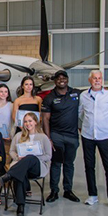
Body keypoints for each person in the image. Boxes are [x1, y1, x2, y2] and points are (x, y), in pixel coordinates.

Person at [0, 113, 52, 216]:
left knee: (30, 157)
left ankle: (9, 175)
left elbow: (48, 156)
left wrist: (35, 158)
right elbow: (12, 151)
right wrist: (18, 158)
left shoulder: (43, 137)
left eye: (30, 121)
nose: (28, 124)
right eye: (26, 121)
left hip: (37, 167)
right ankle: (20, 205)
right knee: (20, 173)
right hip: (21, 166)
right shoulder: (18, 136)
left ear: (35, 122)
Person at [78, 70, 108, 210]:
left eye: (99, 78)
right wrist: (81, 127)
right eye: (94, 78)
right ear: (90, 80)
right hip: (88, 136)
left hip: (105, 136)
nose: (97, 80)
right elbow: (79, 113)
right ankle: (92, 195)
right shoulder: (84, 96)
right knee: (89, 166)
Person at [42, 70, 81, 203]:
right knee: (56, 164)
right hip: (57, 136)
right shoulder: (49, 98)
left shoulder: (76, 93)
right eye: (58, 78)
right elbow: (45, 119)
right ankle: (54, 191)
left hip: (73, 137)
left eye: (64, 78)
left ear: (67, 80)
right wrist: (48, 138)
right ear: (55, 81)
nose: (61, 80)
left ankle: (68, 190)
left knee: (69, 164)